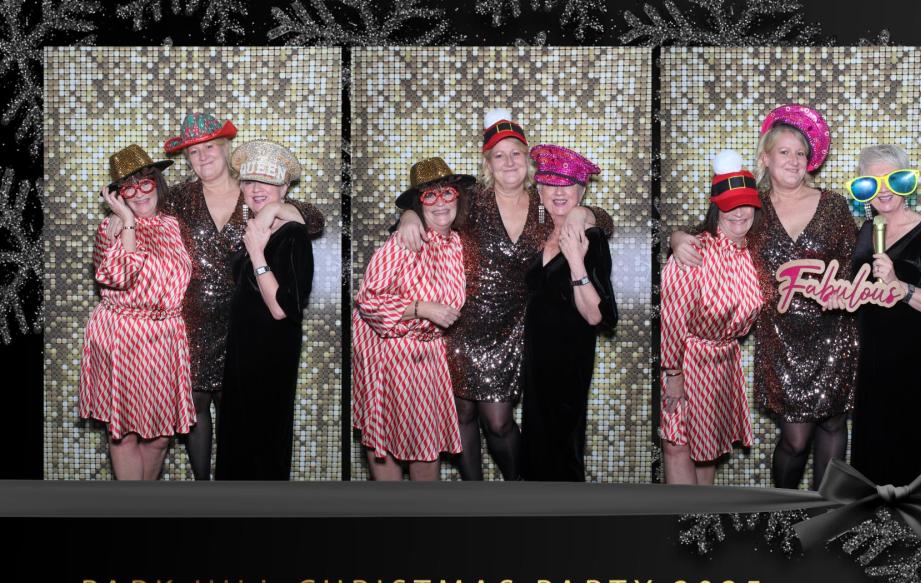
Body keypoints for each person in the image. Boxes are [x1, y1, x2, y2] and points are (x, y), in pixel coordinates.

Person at [396, 109, 613, 480]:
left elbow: (603, 223)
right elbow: (431, 209)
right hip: (460, 322)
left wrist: (584, 212)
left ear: (527, 161)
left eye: (516, 153)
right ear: (488, 163)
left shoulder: (544, 204)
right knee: (462, 415)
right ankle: (475, 495)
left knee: (498, 422)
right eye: (499, 155)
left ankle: (519, 488)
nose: (508, 162)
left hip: (514, 327)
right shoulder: (470, 200)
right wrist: (409, 216)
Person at [670, 105, 857, 489]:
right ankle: (782, 509)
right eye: (784, 152)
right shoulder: (751, 206)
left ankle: (827, 510)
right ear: (765, 158)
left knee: (834, 425)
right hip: (780, 337)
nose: (794, 160)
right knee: (795, 440)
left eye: (801, 153)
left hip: (834, 334)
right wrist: (675, 238)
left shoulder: (834, 205)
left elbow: (852, 265)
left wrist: (844, 291)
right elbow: (706, 230)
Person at [162, 112, 324, 479]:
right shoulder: (179, 197)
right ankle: (204, 487)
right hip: (195, 317)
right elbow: (147, 220)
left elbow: (314, 220)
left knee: (238, 407)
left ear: (226, 150)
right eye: (193, 152)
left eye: (210, 148)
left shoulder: (254, 186)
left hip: (248, 318)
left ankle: (235, 484)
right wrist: (120, 218)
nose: (202, 157)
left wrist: (278, 208)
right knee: (195, 402)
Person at [78, 145, 195, 480]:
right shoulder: (110, 228)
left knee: (160, 438)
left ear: (157, 183)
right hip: (122, 336)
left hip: (165, 338)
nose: (140, 193)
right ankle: (133, 506)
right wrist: (128, 221)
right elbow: (120, 276)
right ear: (118, 194)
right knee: (125, 433)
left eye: (146, 183)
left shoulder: (173, 225)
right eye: (129, 188)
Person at [353, 158, 472, 481]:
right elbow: (368, 300)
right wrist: (421, 308)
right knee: (387, 441)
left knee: (426, 447)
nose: (440, 203)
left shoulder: (457, 243)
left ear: (458, 197)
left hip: (431, 358)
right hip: (393, 357)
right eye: (429, 196)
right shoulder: (404, 241)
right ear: (418, 205)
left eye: (446, 193)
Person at [845, 145, 921, 485]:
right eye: (873, 182)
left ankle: (910, 515)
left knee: (908, 446)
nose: (883, 190)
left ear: (905, 182)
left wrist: (899, 285)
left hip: (911, 359)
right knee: (873, 451)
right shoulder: (866, 231)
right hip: (872, 357)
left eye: (891, 179)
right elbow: (857, 293)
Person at [661, 150, 764, 485]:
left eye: (746, 204)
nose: (739, 212)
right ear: (716, 207)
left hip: (724, 361)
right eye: (730, 204)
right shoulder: (695, 251)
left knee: (709, 448)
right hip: (687, 360)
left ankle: (703, 516)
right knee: (678, 445)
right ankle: (682, 516)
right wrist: (673, 374)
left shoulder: (753, 254)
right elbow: (672, 319)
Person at [214, 141, 315, 480]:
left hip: (270, 355)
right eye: (249, 181)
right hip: (242, 353)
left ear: (284, 188)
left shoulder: (292, 234)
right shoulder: (257, 227)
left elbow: (281, 309)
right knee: (237, 440)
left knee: (262, 443)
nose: (256, 189)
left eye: (267, 182)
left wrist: (257, 253)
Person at [520, 145, 618, 481]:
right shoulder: (538, 229)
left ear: (581, 191)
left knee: (563, 449)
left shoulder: (592, 238)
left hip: (568, 362)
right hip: (534, 362)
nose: (559, 192)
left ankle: (568, 511)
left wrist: (576, 260)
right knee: (535, 449)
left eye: (568, 185)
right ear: (539, 191)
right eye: (550, 184)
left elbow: (596, 316)